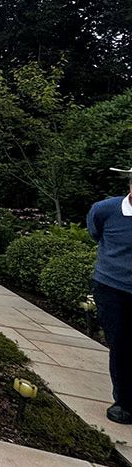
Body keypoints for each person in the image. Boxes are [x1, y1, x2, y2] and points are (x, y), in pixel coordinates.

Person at [88, 167, 132, 425]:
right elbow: (95, 233)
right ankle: (125, 402)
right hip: (112, 287)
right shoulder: (105, 210)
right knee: (122, 343)